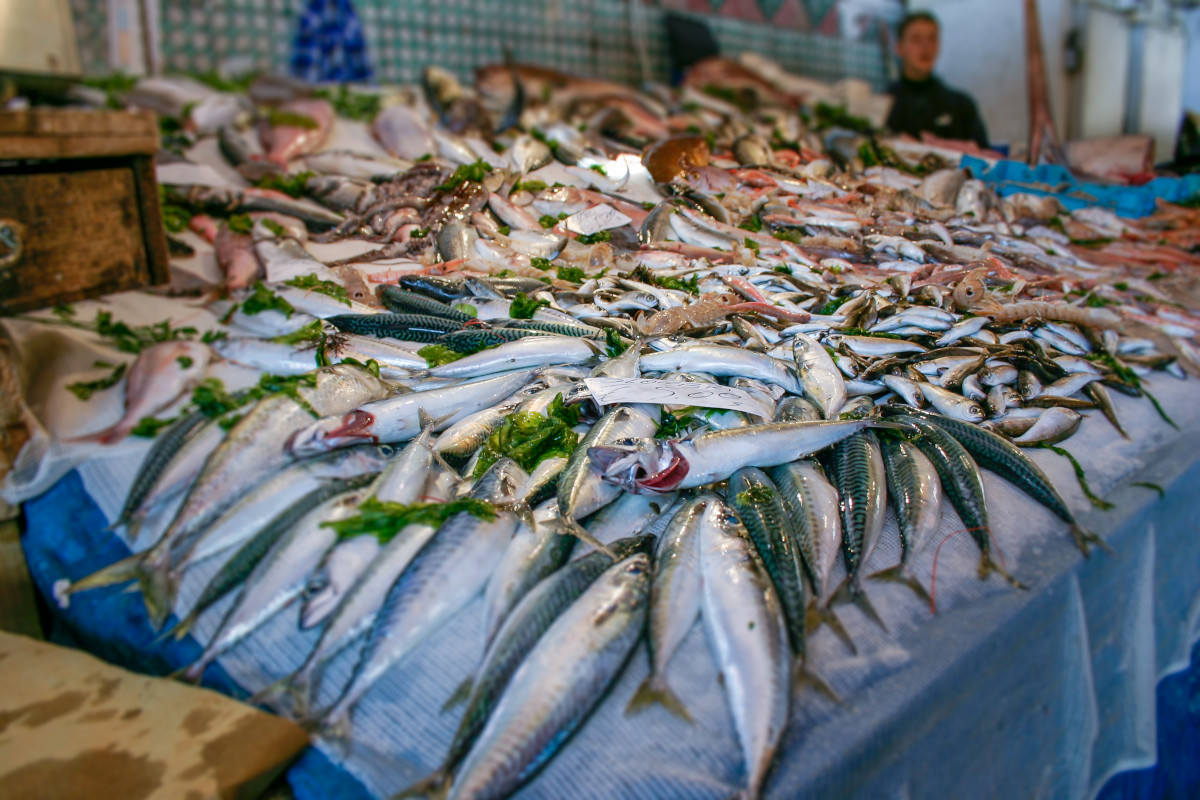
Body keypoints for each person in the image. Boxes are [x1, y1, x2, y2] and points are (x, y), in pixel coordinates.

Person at [886, 11, 989, 149]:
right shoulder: (884, 105)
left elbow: (983, 156)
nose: (925, 47)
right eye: (916, 39)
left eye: (932, 38)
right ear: (899, 48)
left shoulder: (961, 105)